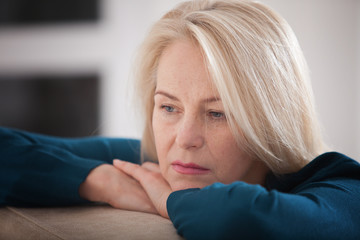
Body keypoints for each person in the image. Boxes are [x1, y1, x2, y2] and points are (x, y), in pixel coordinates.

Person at [1, 0, 359, 239]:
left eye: (217, 114)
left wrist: (167, 200)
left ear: (269, 120)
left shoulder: (344, 187)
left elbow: (240, 216)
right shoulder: (152, 163)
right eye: (169, 108)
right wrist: (103, 181)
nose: (184, 138)